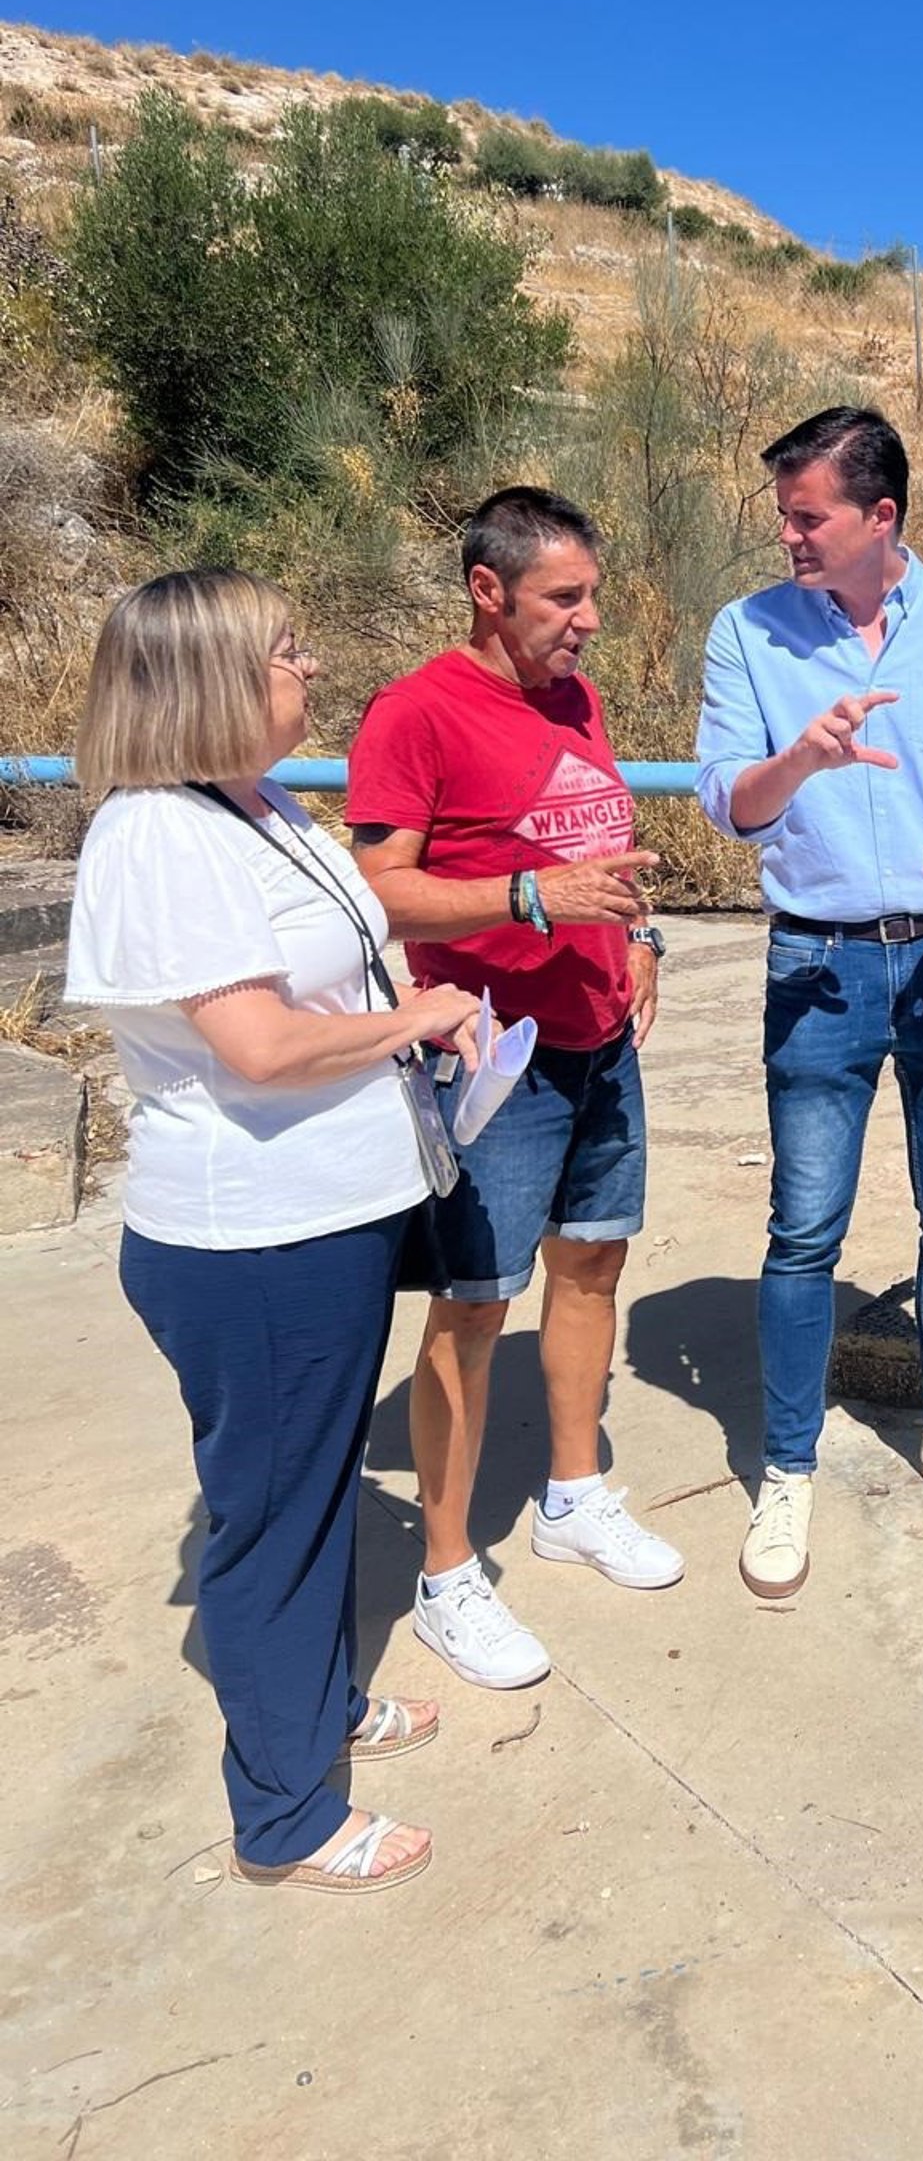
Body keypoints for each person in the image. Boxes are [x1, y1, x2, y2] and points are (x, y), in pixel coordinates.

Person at [66, 571, 483, 1894]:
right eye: (287, 651)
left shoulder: (255, 803)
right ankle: (287, 1814)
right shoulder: (158, 833)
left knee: (309, 1491)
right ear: (210, 681)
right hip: (250, 1240)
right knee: (273, 1517)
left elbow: (338, 964)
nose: (311, 669)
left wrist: (413, 1009)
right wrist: (412, 1021)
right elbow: (254, 1042)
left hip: (326, 1214)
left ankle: (320, 1706)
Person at [696, 406, 923, 1599]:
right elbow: (728, 803)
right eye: (784, 515)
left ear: (880, 514)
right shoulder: (746, 631)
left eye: (809, 516)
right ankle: (788, 1467)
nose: (788, 536)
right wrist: (803, 756)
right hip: (818, 967)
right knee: (806, 1228)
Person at [348, 487, 682, 1696]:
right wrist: (528, 900)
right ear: (487, 590)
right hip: (493, 1056)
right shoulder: (416, 713)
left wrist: (639, 938)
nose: (589, 619)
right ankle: (447, 1575)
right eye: (564, 597)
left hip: (601, 1039)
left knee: (592, 1265)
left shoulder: (576, 698)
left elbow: (599, 852)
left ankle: (573, 1496)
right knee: (476, 1307)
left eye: (593, 594)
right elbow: (380, 889)